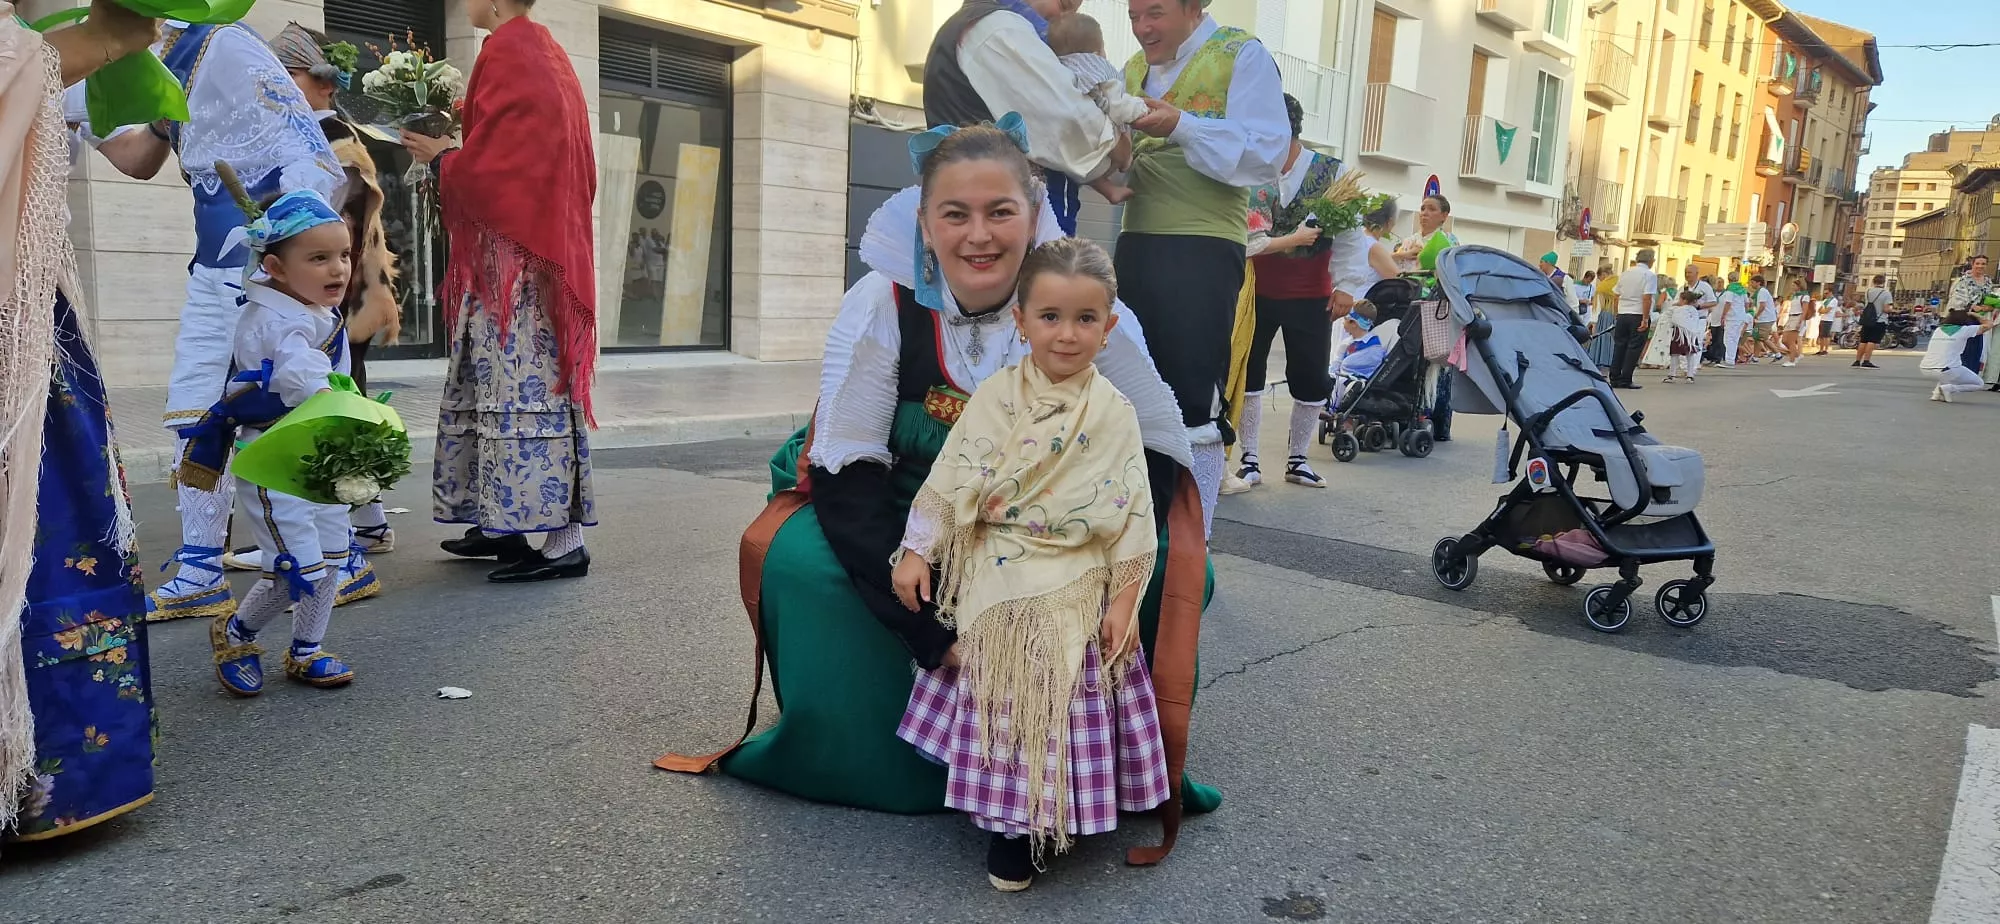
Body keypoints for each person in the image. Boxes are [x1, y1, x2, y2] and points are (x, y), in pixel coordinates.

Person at [654, 119, 1221, 839]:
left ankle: (1086, 770)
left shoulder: (1083, 305)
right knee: (802, 566)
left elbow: (1150, 454)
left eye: (1000, 212)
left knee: (1160, 568)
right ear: (925, 223)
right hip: (908, 500)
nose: (978, 236)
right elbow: (850, 472)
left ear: (1034, 215)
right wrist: (926, 628)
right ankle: (869, 755)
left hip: (1061, 515)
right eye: (955, 214)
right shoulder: (881, 302)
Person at [890, 237, 1169, 891]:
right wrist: (918, 549)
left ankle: (1064, 804)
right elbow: (953, 473)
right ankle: (1011, 828)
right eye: (1050, 317)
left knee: (1074, 675)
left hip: (1080, 566)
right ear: (1020, 320)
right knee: (1013, 676)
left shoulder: (1116, 413)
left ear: (1109, 325)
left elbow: (1133, 509)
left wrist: (1124, 598)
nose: (1067, 334)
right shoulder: (996, 396)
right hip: (1001, 558)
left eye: (1085, 318)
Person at [92, 13, 344, 623]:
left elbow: (308, 164)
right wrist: (76, 116)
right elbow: (138, 157)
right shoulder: (160, 57)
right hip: (221, 268)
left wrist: (288, 260)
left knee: (282, 406)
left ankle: (307, 559)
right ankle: (210, 568)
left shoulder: (217, 43)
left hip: (257, 271)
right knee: (206, 414)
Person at [2, 0, 162, 841]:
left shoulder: (39, 45)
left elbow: (132, 154)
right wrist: (105, 38)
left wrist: (159, 106)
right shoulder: (29, 49)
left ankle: (51, 764)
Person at [402, 0, 597, 584]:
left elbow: (504, 169)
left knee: (521, 390)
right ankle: (500, 522)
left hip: (518, 265)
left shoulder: (513, 49)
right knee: (496, 387)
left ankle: (564, 542)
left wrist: (443, 157)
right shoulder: (540, 50)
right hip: (522, 261)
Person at [1115, 0, 1289, 523]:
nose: (1142, 28)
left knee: (1191, 395)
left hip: (1204, 244)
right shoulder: (1131, 69)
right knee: (1128, 387)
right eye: (1133, 15)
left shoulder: (1241, 54)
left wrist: (1183, 126)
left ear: (1194, 6)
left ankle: (1195, 539)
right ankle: (1137, 529)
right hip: (1135, 241)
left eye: (1155, 13)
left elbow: (1268, 154)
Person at [189, 191, 365, 695]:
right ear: (275, 267)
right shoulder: (274, 321)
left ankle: (306, 650)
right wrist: (336, 403)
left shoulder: (313, 309)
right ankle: (236, 634)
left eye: (344, 255)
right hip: (274, 458)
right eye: (319, 258)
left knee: (331, 558)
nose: (338, 269)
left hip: (319, 453)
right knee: (295, 568)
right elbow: (299, 372)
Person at [266, 21, 399, 572]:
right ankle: (365, 523)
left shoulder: (332, 139)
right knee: (337, 403)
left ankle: (346, 535)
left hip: (327, 297)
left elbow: (325, 224)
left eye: (287, 76)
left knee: (331, 404)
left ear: (319, 82)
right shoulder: (313, 135)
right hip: (326, 294)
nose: (275, 88)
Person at [921, 0, 1122, 237]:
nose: (1065, 16)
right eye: (1063, 3)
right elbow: (1069, 125)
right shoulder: (1000, 27)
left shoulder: (983, 24)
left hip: (987, 211)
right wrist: (1118, 146)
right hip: (998, 218)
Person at [1233, 93, 1353, 491]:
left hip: (1311, 292)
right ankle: (1249, 459)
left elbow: (1350, 235)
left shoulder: (1331, 172)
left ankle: (1298, 460)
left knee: (1311, 376)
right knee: (1249, 372)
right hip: (1255, 291)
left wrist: (1346, 286)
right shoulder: (1250, 168)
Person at [1045, 12, 1142, 204]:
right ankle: (1126, 162)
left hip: (1070, 151)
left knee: (1080, 169)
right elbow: (1118, 103)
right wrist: (1140, 110)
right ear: (1097, 52)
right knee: (1122, 123)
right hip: (1104, 147)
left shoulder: (1056, 68)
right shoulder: (1099, 68)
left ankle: (1109, 190)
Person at [1394, 194, 1459, 436]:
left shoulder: (1449, 242)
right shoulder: (1409, 241)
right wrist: (1405, 257)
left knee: (1437, 365)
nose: (1424, 213)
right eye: (1422, 208)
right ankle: (1404, 412)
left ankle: (1438, 421)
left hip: (1436, 307)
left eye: (1431, 209)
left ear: (1444, 216)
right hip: (1409, 304)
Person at [1922, 307, 2000, 403]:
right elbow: (1989, 324)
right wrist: (1975, 315)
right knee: (1979, 384)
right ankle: (1949, 388)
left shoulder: (1938, 330)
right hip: (1946, 369)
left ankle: (1936, 393)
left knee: (1946, 371)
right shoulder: (1964, 330)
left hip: (1925, 368)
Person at [1608, 249, 1657, 389]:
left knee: (1619, 345)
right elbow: (1647, 298)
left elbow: (1616, 295)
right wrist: (1645, 319)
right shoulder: (1649, 275)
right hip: (1638, 313)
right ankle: (1626, 378)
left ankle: (1614, 376)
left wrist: (1617, 313)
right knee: (1634, 347)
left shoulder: (1626, 273)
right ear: (1651, 261)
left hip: (1623, 313)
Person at [1662, 289, 1705, 384]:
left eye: (1680, 299)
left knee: (1674, 354)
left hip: (1679, 334)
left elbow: (1673, 320)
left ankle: (1672, 375)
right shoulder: (1694, 311)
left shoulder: (1678, 310)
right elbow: (1694, 323)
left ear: (1684, 300)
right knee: (1690, 355)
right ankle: (1690, 375)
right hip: (1691, 335)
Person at [1855, 275, 1890, 368]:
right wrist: (1891, 310)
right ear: (1884, 282)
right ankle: (1866, 361)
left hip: (1867, 319)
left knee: (1863, 340)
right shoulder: (1886, 293)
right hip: (1879, 320)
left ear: (1873, 282)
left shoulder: (1868, 291)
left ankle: (1857, 361)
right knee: (1872, 341)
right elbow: (1886, 309)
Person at [1814, 287, 1840, 356]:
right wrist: (1822, 311)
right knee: (1821, 336)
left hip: (1828, 320)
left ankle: (1825, 350)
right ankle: (1821, 349)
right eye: (1825, 293)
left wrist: (1822, 311)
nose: (1825, 295)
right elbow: (1819, 309)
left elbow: (1827, 310)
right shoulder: (1825, 300)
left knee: (1826, 336)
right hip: (1822, 319)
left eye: (1827, 293)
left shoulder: (1834, 300)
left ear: (1831, 292)